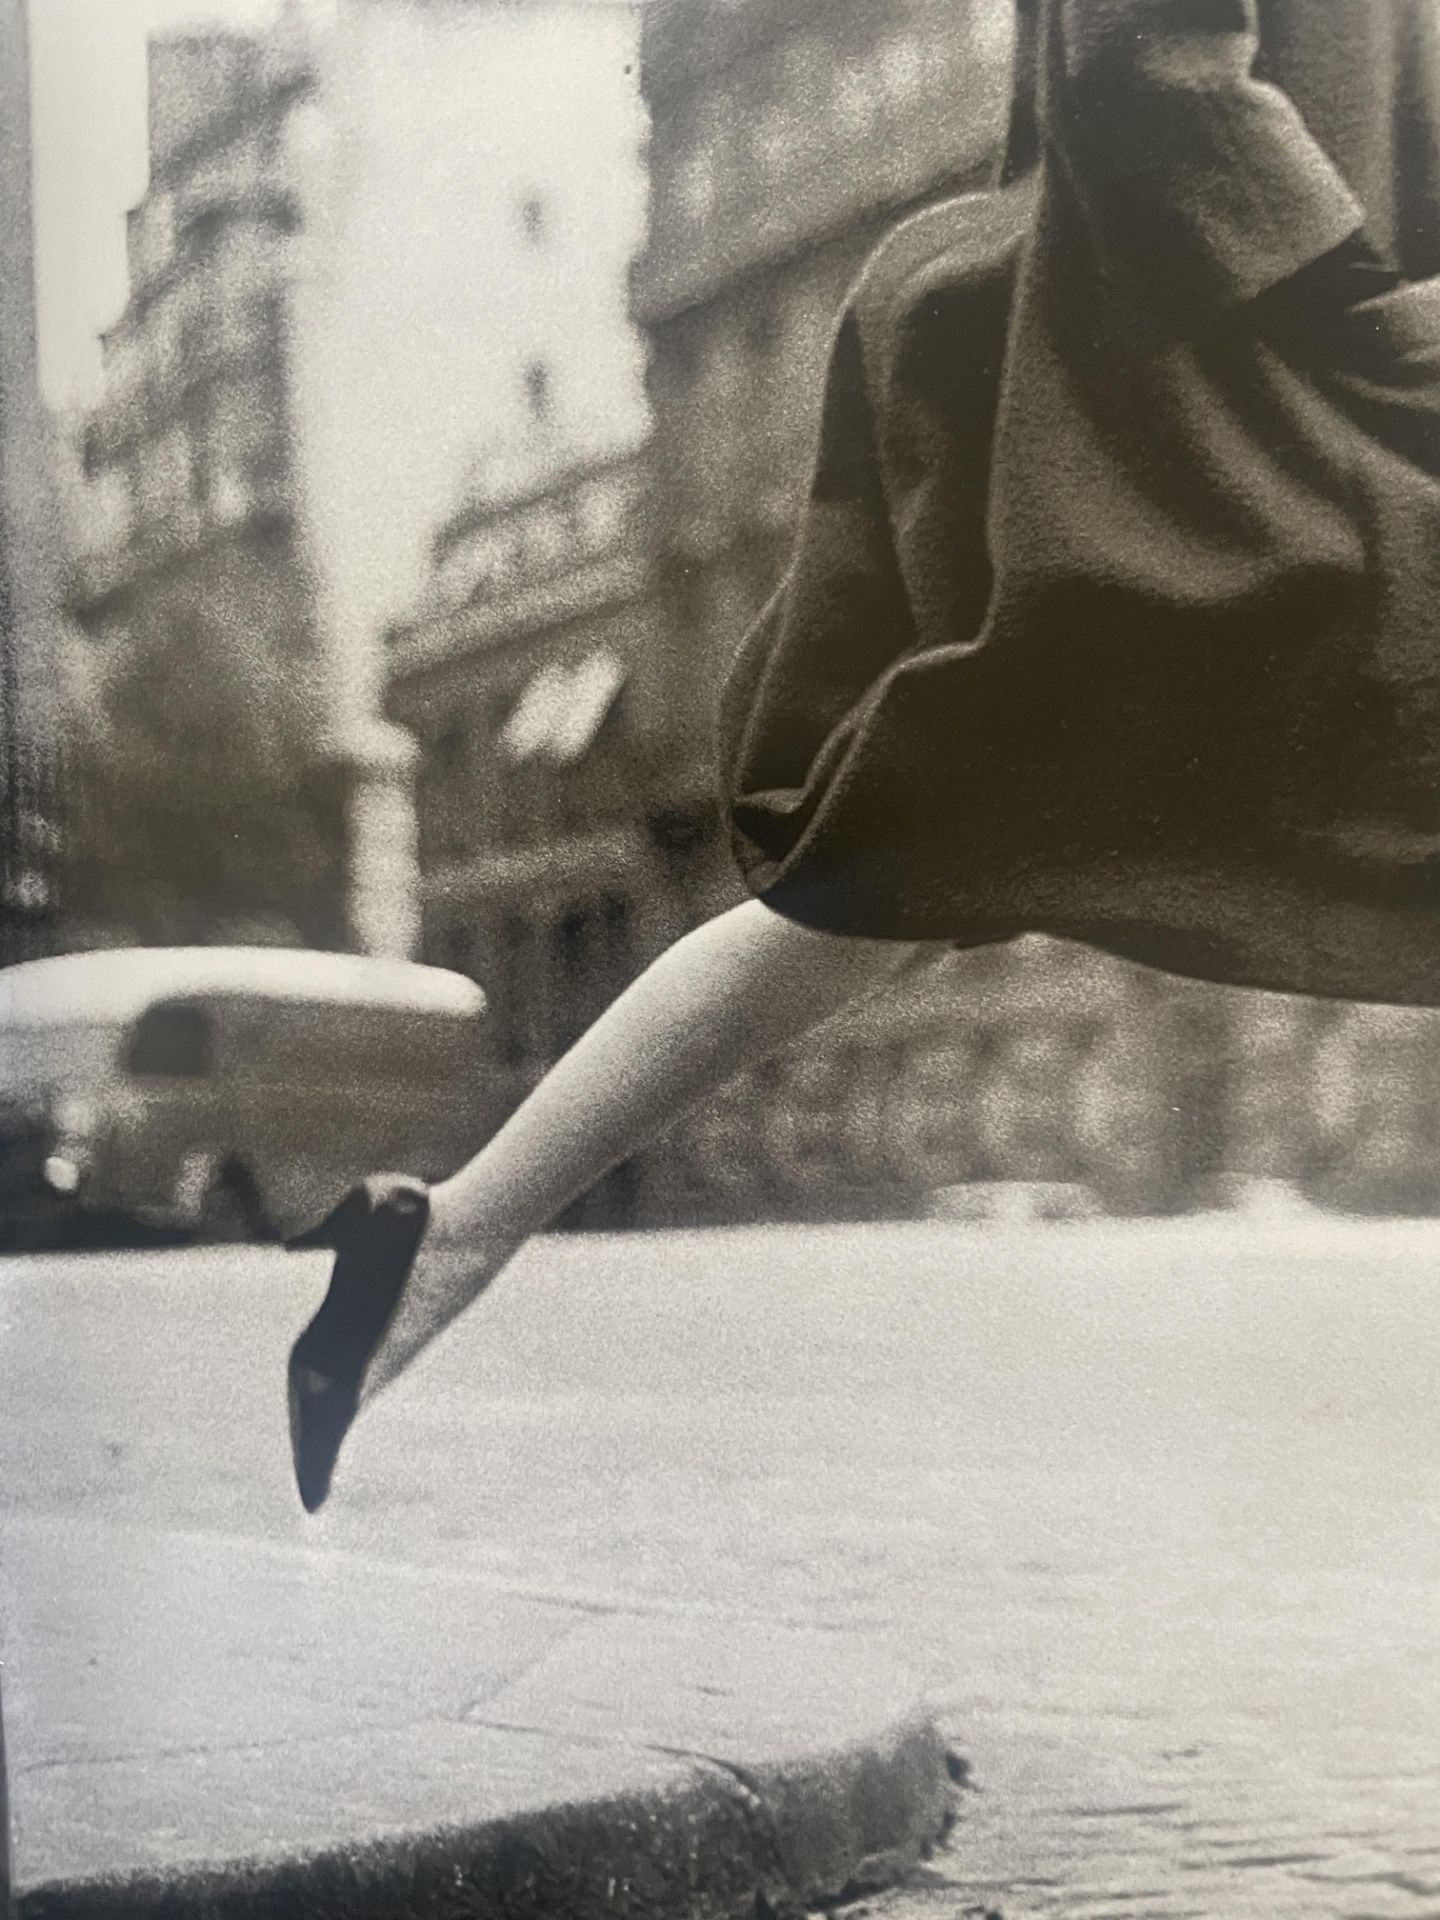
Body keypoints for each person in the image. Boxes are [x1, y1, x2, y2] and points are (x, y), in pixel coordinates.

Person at [287, 0, 1440, 1512]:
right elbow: (1140, 68)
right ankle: (446, 1238)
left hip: (1260, 400)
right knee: (888, 871)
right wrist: (1368, 312)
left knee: (881, 881)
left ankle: (442, 1238)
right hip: (1225, 417)